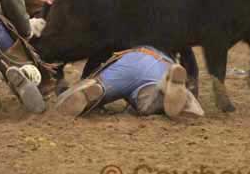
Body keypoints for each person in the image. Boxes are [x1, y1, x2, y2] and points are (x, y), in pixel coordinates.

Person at [55, 46, 204, 119]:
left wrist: (88, 78)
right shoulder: (170, 26)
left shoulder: (121, 20)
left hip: (126, 59)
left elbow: (100, 50)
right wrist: (192, 89)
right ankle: (165, 88)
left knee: (100, 85)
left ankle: (95, 88)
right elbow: (187, 54)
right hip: (159, 62)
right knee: (148, 104)